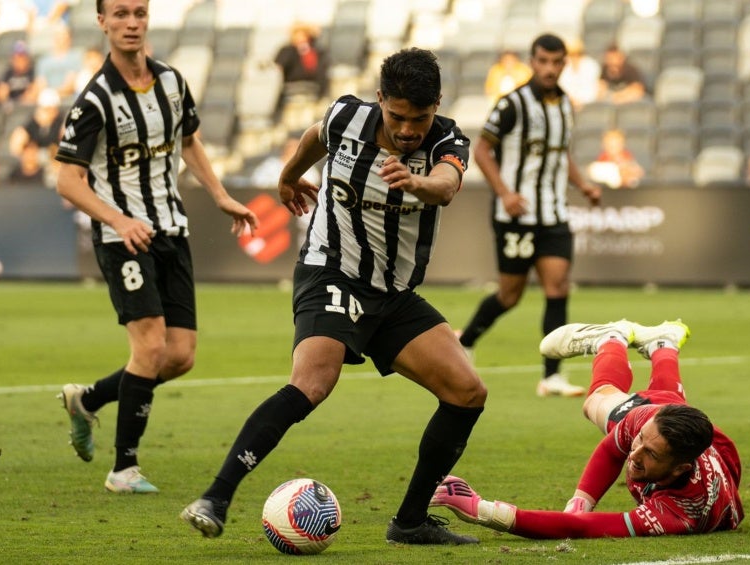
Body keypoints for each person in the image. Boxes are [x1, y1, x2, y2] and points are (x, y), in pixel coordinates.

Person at [181, 46, 487, 546]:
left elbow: (448, 185)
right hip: (332, 273)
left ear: (437, 108)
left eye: (421, 118)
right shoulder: (346, 116)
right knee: (314, 381)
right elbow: (313, 137)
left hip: (393, 294)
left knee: (467, 392)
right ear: (380, 99)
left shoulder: (447, 139)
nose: (410, 129)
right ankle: (216, 496)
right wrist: (286, 176)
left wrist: (416, 181)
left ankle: (409, 522)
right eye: (398, 117)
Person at [54, 0, 259, 494]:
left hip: (171, 228)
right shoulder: (94, 99)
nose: (131, 23)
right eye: (120, 14)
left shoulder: (171, 81)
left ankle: (88, 400)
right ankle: (123, 469)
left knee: (180, 355)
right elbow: (68, 180)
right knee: (148, 346)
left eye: (139, 13)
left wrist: (221, 195)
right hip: (123, 236)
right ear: (102, 21)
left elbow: (189, 142)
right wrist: (119, 219)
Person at [431, 319, 743, 539]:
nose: (633, 454)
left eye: (650, 454)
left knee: (628, 400)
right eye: (639, 441)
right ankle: (612, 338)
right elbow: (611, 449)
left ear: (679, 469)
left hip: (713, 463)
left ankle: (658, 343)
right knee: (600, 399)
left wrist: (481, 510)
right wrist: (580, 503)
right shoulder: (647, 424)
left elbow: (583, 529)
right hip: (708, 444)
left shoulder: (676, 513)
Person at [457, 34, 602, 398]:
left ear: (564, 64)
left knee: (558, 287)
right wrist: (505, 193)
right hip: (516, 216)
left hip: (553, 213)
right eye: (543, 61)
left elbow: (560, 154)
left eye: (557, 63)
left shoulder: (566, 104)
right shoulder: (512, 104)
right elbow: (483, 150)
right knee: (510, 295)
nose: (550, 69)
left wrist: (583, 185)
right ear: (532, 62)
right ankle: (466, 340)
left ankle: (551, 375)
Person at [273, 24, 330, 105]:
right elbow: (279, 65)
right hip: (291, 88)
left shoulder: (317, 51)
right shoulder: (287, 50)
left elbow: (322, 71)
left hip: (312, 88)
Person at [34, 24, 84, 100]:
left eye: (64, 36)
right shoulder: (43, 60)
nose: (61, 39)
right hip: (46, 97)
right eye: (59, 36)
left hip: (67, 96)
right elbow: (41, 84)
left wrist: (53, 94)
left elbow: (70, 85)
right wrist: (49, 94)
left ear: (69, 38)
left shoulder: (75, 56)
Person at [0, 40, 40, 107]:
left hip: (27, 106)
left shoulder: (33, 72)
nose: (19, 61)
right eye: (16, 58)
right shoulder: (8, 73)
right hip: (10, 106)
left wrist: (20, 102)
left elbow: (34, 92)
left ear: (27, 59)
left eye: (22, 58)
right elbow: (1, 94)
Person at [558, 39, 600, 111]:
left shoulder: (591, 65)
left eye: (577, 54)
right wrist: (571, 100)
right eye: (571, 54)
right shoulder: (563, 66)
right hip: (567, 105)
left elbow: (592, 88)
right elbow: (562, 87)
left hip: (588, 106)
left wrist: (580, 101)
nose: (574, 57)